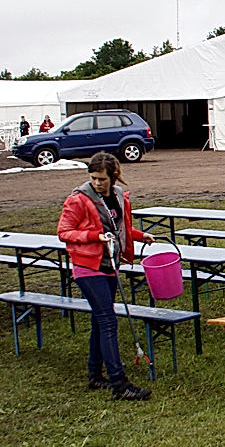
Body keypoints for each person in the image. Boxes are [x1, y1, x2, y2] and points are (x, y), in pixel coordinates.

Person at [57, 151, 156, 400]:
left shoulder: (119, 197)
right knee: (108, 321)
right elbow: (64, 232)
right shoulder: (79, 199)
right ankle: (119, 384)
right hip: (87, 267)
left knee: (99, 321)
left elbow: (119, 227)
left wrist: (139, 235)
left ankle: (94, 374)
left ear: (113, 176)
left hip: (109, 264)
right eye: (93, 178)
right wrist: (94, 237)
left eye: (101, 179)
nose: (96, 183)